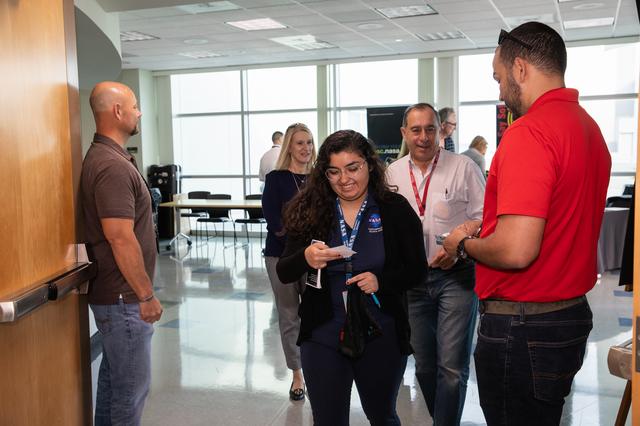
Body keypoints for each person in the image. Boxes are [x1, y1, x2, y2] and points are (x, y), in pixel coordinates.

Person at [443, 22, 611, 425]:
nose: (500, 90)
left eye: (499, 78)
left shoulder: (529, 132)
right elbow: (557, 219)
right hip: (567, 316)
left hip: (523, 325)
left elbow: (517, 250)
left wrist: (460, 245)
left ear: (520, 68)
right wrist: (489, 227)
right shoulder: (589, 128)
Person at [276, 130, 426, 425]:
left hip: (380, 332)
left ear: (369, 164)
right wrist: (305, 257)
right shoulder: (312, 210)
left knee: (382, 416)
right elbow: (284, 271)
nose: (344, 179)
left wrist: (382, 281)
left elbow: (417, 270)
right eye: (334, 172)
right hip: (323, 333)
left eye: (352, 168)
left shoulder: (394, 209)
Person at [386, 103, 485, 426]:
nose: (424, 137)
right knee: (425, 366)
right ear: (405, 133)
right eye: (416, 130)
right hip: (413, 281)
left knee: (452, 368)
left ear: (441, 130)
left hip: (456, 276)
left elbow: (484, 216)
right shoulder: (392, 174)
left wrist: (460, 240)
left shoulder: (463, 167)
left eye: (430, 129)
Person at [80, 81, 163, 426]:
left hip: (117, 298)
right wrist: (145, 295)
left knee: (114, 387)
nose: (139, 113)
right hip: (124, 299)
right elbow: (119, 237)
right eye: (134, 106)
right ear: (117, 111)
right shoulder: (111, 165)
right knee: (129, 396)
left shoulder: (108, 157)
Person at [262, 123, 316, 401]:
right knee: (288, 314)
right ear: (289, 147)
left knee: (315, 313)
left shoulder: (320, 179)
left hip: (315, 257)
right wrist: (295, 247)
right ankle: (297, 373)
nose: (306, 148)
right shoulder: (276, 179)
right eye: (299, 143)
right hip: (280, 256)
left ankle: (317, 365)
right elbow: (273, 219)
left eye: (309, 142)